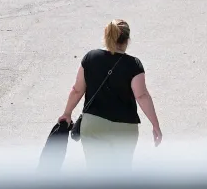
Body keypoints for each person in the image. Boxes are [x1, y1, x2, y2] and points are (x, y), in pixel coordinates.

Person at [57, 19, 161, 170]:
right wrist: (155, 125)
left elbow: (77, 90)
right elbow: (142, 96)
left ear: (107, 36)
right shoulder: (134, 65)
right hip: (125, 128)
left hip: (94, 124)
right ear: (127, 40)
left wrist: (67, 113)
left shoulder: (90, 58)